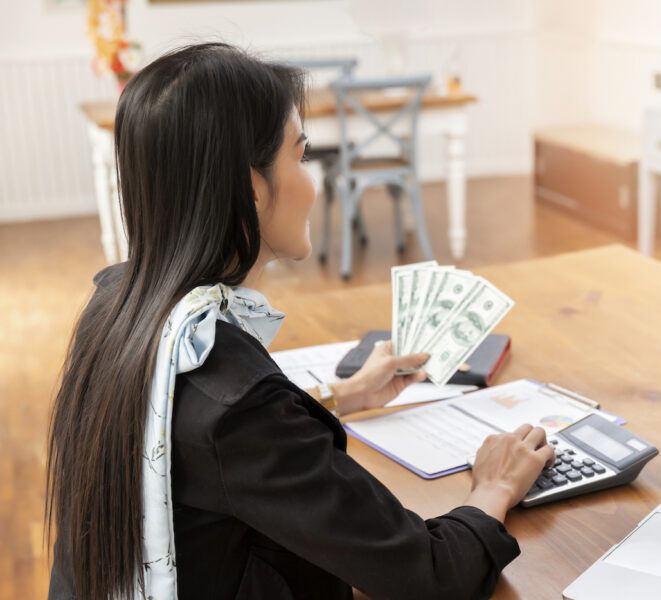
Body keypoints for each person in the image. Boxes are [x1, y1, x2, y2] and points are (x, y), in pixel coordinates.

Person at [46, 43, 554, 600]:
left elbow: (204, 447)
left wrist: (337, 397)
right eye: (301, 153)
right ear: (251, 187)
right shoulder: (236, 405)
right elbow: (430, 575)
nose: (313, 181)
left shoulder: (115, 304)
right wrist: (494, 488)